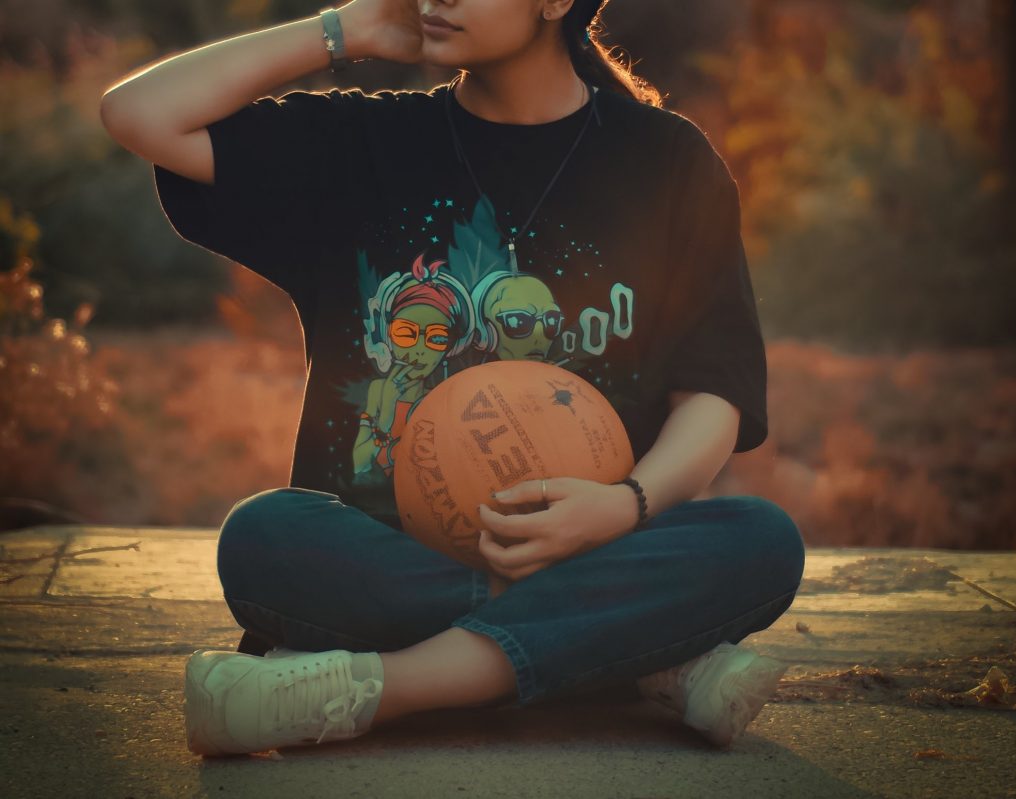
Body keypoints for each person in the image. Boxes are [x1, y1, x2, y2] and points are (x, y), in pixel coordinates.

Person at [101, 0, 806, 757]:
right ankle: (640, 652)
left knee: (761, 541)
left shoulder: (668, 162)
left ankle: (375, 689)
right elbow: (140, 113)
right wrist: (346, 30)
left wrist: (623, 508)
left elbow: (714, 393)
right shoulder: (361, 143)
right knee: (261, 538)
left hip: (594, 542)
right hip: (380, 558)